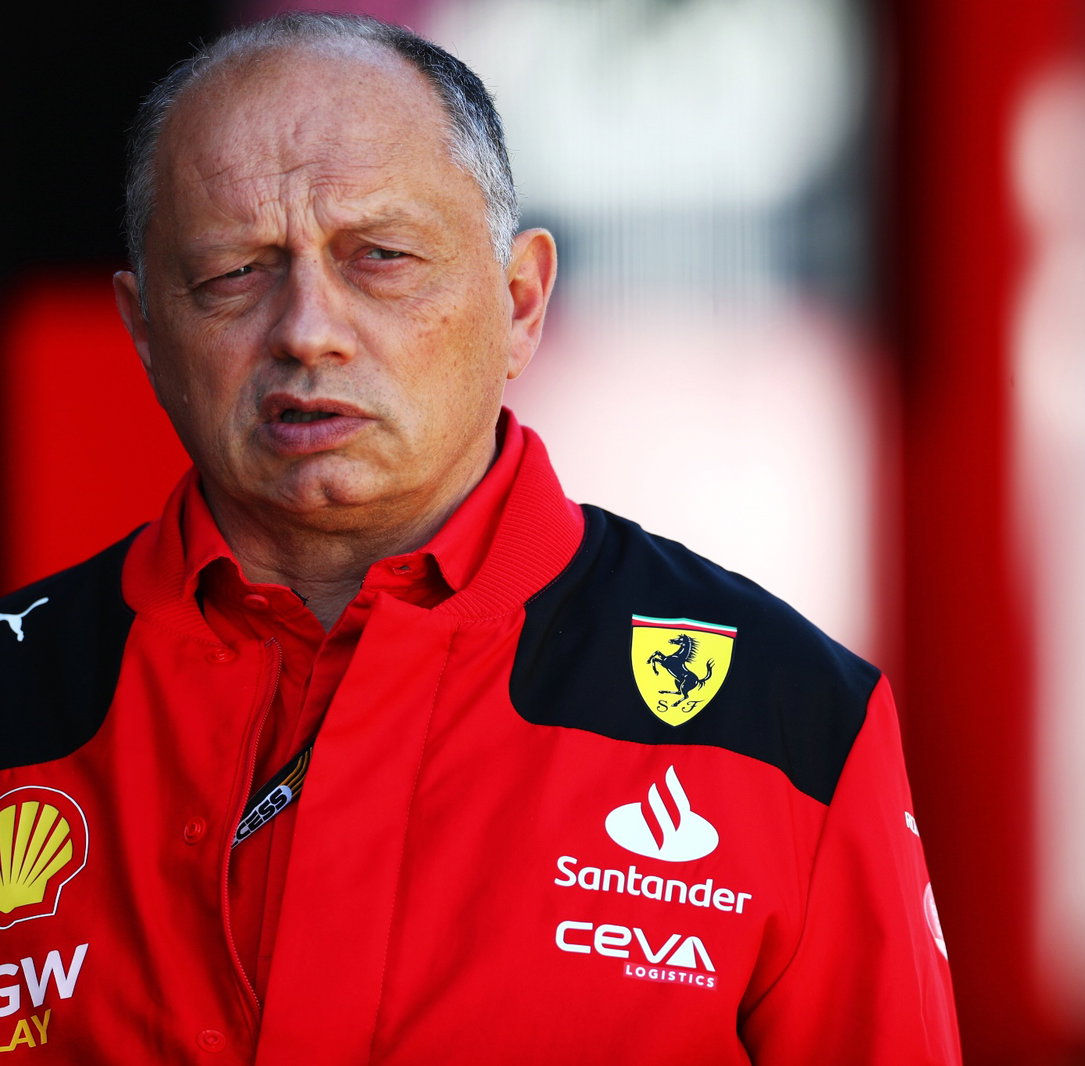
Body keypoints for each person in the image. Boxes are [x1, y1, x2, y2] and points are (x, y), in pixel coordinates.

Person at [0, 12, 959, 1064]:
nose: (307, 327)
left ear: (520, 302)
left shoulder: (787, 723)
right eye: (235, 272)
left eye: (381, 257)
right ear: (144, 329)